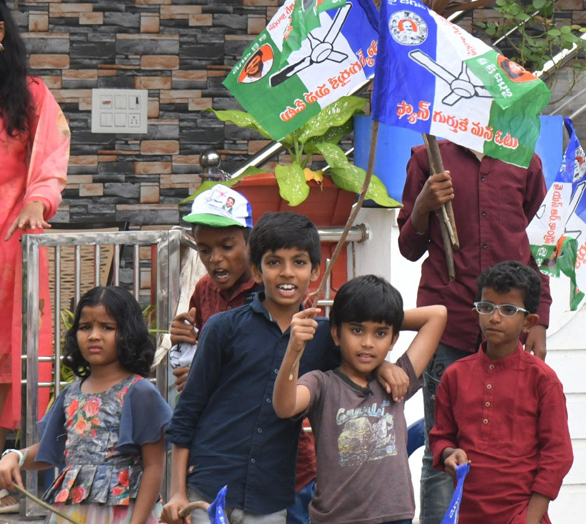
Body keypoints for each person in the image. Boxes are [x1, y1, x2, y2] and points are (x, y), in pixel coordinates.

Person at [163, 213, 408, 524]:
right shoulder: (222, 328)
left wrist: (383, 364)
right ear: (255, 269)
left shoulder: (323, 337)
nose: (287, 273)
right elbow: (188, 411)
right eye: (274, 262)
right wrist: (176, 492)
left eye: (300, 262)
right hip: (209, 488)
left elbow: (364, 344)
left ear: (316, 270)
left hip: (270, 497)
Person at [397, 139, 551, 524]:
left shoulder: (524, 161)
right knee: (442, 448)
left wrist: (541, 316)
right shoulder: (427, 159)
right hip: (446, 329)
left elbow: (543, 243)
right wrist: (423, 207)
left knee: (512, 446)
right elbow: (408, 247)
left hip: (511, 334)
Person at [0, 0, 70, 513]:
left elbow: (51, 157)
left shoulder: (30, 95)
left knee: (0, 355)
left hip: (4, 242)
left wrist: (39, 203)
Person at [0, 285, 172, 524]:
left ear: (129, 333)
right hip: (72, 514)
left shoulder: (139, 392)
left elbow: (154, 467)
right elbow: (52, 449)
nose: (94, 335)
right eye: (86, 327)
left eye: (107, 327)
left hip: (124, 514)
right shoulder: (70, 393)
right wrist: (14, 457)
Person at [272, 275, 447, 524]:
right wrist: (293, 351)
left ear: (393, 339)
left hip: (395, 517)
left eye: (380, 333)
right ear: (336, 333)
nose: (367, 342)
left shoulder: (396, 380)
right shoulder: (322, 384)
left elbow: (438, 315)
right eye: (356, 329)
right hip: (336, 519)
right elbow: (284, 406)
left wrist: (384, 315)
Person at [430, 261, 574, 524]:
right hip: (467, 515)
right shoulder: (455, 376)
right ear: (476, 314)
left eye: (508, 310)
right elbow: (441, 436)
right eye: (486, 308)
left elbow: (558, 455)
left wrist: (529, 519)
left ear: (528, 322)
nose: (494, 318)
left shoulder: (542, 380)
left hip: (521, 516)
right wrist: (450, 454)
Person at [169, 183, 259, 387]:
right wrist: (184, 340)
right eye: (204, 250)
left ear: (249, 244)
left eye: (227, 247)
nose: (215, 258)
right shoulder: (204, 289)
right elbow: (201, 354)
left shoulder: (270, 290)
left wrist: (205, 376)